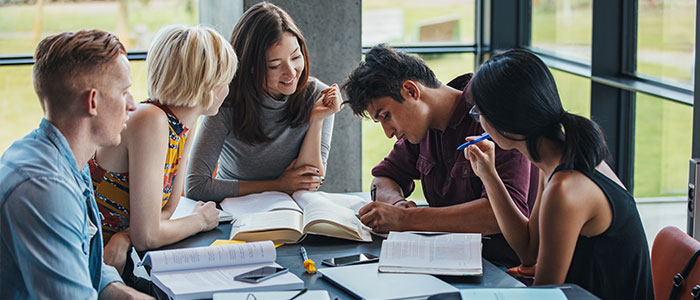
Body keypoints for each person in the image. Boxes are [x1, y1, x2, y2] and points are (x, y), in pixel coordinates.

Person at [463, 49, 653, 299]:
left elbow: (545, 294)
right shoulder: (561, 158)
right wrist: (489, 175)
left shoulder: (565, 189)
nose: (479, 121)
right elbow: (530, 250)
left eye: (480, 113)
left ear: (503, 120)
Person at [342, 44, 537, 268]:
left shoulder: (490, 114)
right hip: (445, 261)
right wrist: (397, 205)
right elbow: (384, 177)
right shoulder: (420, 131)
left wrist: (406, 220)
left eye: (386, 116)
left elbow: (500, 215)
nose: (388, 133)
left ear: (411, 91)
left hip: (503, 270)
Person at [0, 30, 151, 299]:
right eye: (125, 91)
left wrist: (120, 292)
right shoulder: (45, 188)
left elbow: (82, 258)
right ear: (92, 101)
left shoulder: (66, 159)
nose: (132, 104)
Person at [88, 24, 237, 289]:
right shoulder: (150, 120)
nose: (228, 88)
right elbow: (148, 235)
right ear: (208, 84)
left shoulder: (184, 125)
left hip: (115, 258)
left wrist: (125, 236)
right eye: (225, 78)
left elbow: (167, 209)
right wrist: (200, 220)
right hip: (89, 262)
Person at [186, 2, 342, 202]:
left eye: (296, 57)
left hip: (291, 211)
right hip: (235, 212)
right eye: (274, 66)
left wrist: (317, 120)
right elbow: (195, 185)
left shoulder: (318, 95)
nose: (291, 72)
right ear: (251, 66)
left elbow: (311, 180)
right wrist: (278, 185)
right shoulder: (226, 101)